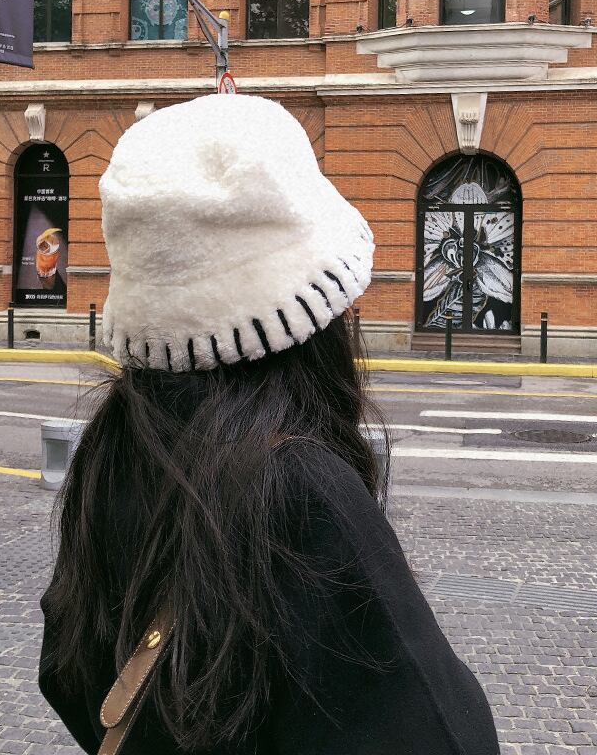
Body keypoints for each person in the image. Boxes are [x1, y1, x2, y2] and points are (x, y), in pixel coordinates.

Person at [38, 94, 500, 755]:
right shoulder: (303, 490)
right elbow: (440, 733)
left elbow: (65, 667)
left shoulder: (112, 448)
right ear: (319, 318)